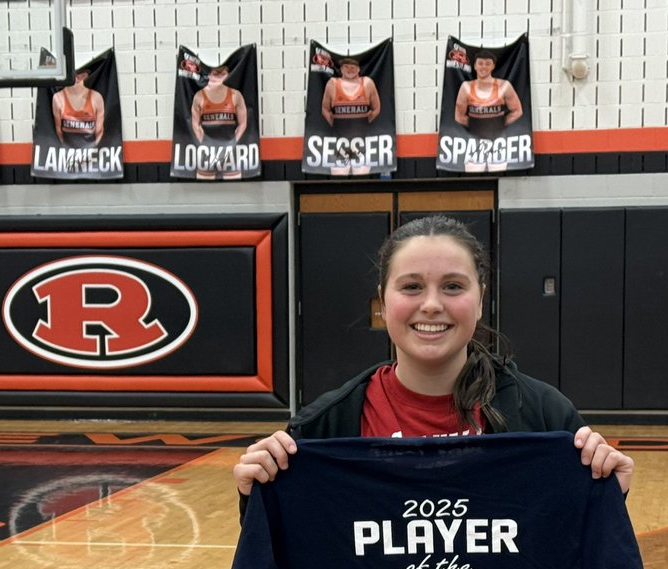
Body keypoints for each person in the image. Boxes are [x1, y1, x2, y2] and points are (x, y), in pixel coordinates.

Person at [233, 215, 634, 507]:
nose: (431, 305)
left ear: (480, 299)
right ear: (383, 300)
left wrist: (611, 490)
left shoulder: (546, 416)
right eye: (411, 287)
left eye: (453, 287)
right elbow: (290, 565)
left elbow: (580, 556)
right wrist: (255, 494)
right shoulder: (323, 427)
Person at [454, 49, 523, 172]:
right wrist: (477, 125)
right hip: (474, 142)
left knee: (500, 179)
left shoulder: (504, 86)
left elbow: (517, 111)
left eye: (487, 64)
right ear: (475, 66)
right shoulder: (466, 87)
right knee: (473, 179)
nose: (483, 67)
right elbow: (458, 116)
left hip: (498, 142)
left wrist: (499, 124)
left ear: (493, 66)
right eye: (480, 63)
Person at [321, 56, 381, 175]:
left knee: (361, 183)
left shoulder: (367, 83)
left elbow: (377, 108)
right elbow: (325, 109)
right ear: (341, 69)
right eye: (346, 66)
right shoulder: (332, 84)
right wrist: (335, 124)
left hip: (362, 146)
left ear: (359, 69)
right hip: (340, 147)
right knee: (339, 184)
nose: (350, 69)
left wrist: (364, 121)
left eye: (353, 66)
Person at [190, 64, 247, 180]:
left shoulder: (236, 95)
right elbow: (195, 125)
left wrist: (233, 142)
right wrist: (204, 143)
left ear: (228, 74)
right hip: (206, 153)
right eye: (216, 73)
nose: (219, 76)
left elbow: (243, 123)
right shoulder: (199, 96)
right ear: (209, 75)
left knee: (235, 191)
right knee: (205, 190)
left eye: (223, 72)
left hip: (230, 152)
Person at [53, 68, 104, 146]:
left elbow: (99, 131)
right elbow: (58, 131)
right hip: (67, 152)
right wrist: (66, 151)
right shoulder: (58, 98)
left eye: (80, 73)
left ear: (85, 75)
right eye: (73, 74)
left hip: (91, 152)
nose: (76, 77)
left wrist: (92, 151)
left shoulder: (96, 97)